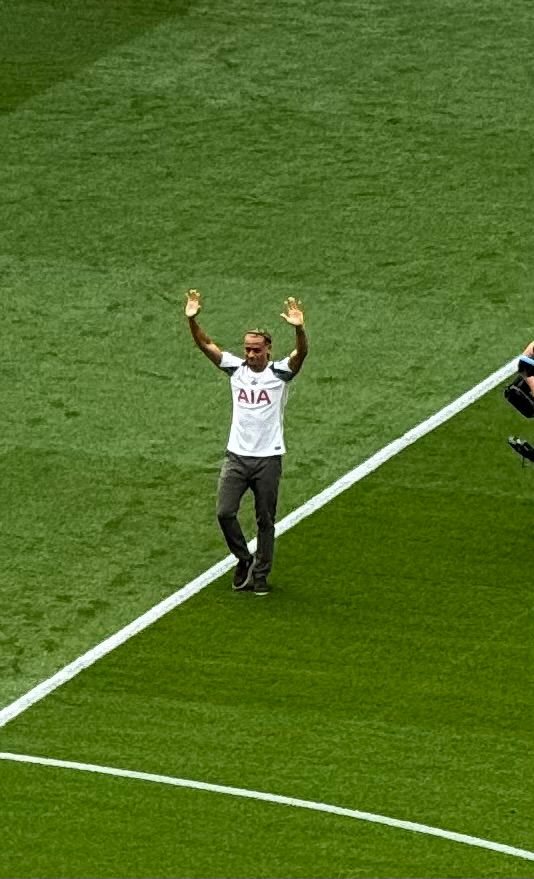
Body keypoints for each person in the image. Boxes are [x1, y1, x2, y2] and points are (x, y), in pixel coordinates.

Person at [184, 289, 308, 595]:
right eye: (247, 349)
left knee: (265, 520)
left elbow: (301, 354)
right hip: (236, 457)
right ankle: (243, 558)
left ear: (268, 349)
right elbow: (205, 344)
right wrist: (192, 320)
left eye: (256, 350)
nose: (250, 354)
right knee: (225, 512)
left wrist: (299, 329)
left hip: (268, 458)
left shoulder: (279, 374)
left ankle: (261, 576)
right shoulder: (235, 370)